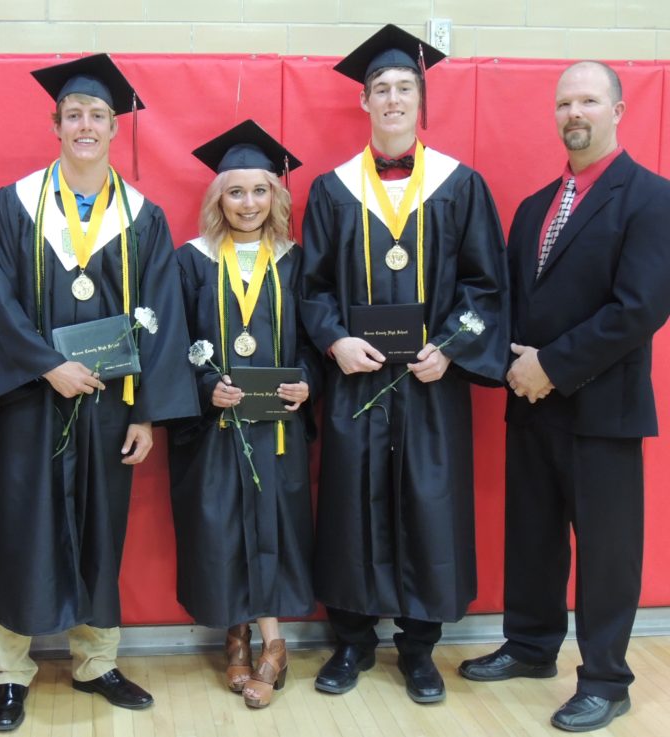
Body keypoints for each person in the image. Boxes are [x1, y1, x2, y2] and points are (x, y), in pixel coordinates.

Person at [0, 53, 198, 731]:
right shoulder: (14, 205)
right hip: (31, 398)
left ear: (114, 126)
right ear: (56, 123)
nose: (85, 125)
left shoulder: (143, 215)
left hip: (108, 404)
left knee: (102, 527)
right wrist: (47, 364)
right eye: (73, 114)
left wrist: (145, 414)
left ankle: (96, 661)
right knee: (23, 529)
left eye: (97, 115)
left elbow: (160, 313)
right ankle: (11, 671)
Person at [458, 61, 670, 733]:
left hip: (601, 410)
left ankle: (607, 679)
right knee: (534, 538)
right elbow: (511, 305)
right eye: (563, 103)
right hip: (531, 404)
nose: (573, 112)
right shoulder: (533, 207)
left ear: (618, 110)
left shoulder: (652, 198)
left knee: (607, 551)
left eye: (587, 100)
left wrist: (551, 365)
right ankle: (528, 646)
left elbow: (638, 309)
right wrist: (507, 365)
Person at [300, 25, 510, 704]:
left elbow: (486, 285)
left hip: (429, 384)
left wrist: (450, 346)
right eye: (381, 89)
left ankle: (419, 649)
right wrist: (334, 341)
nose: (392, 100)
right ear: (363, 103)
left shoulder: (461, 185)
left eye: (404, 89)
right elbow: (314, 288)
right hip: (358, 384)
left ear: (421, 100)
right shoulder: (333, 192)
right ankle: (353, 641)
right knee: (352, 506)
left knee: (428, 506)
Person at [168, 120, 317, 709]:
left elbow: (315, 340)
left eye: (260, 191)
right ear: (218, 198)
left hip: (279, 429)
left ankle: (272, 644)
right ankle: (236, 631)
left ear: (275, 196)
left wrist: (307, 383)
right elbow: (172, 344)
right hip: (217, 432)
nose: (248, 203)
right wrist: (206, 387)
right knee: (222, 530)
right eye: (236, 192)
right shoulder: (191, 262)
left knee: (273, 531)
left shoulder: (295, 260)